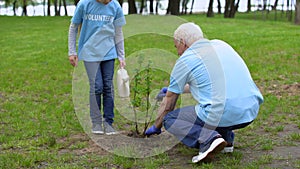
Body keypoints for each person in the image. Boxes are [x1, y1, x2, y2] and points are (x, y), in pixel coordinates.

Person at [145, 23, 264, 163]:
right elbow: (211, 83)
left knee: (170, 119)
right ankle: (227, 139)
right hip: (249, 111)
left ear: (182, 42)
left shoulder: (186, 59)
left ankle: (209, 139)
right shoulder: (221, 45)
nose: (177, 52)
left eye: (176, 46)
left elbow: (168, 105)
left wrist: (157, 126)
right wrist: (178, 89)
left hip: (223, 111)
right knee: (219, 104)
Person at [68, 0, 126, 135]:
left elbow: (118, 32)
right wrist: (72, 51)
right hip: (90, 53)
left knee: (108, 86)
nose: (109, 1)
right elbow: (73, 27)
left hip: (109, 53)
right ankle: (96, 123)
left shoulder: (115, 6)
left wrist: (121, 55)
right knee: (96, 86)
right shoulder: (84, 4)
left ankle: (108, 122)